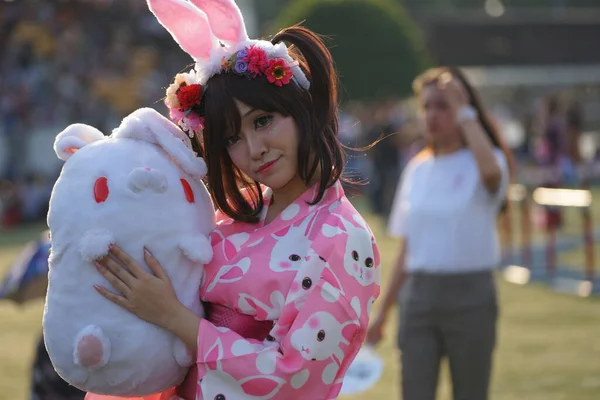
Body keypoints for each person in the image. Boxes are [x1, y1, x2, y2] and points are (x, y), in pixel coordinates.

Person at [84, 0, 380, 399]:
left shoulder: (343, 237)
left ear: (301, 111)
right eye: (232, 138)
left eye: (263, 121)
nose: (254, 148)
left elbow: (294, 376)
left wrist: (174, 317)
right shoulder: (235, 212)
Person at [366, 67, 512, 400]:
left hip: (471, 296)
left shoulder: (486, 161)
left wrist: (465, 112)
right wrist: (383, 314)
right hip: (419, 299)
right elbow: (408, 250)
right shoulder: (417, 169)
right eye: (427, 105)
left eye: (443, 106)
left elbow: (492, 177)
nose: (433, 115)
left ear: (463, 108)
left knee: (470, 393)